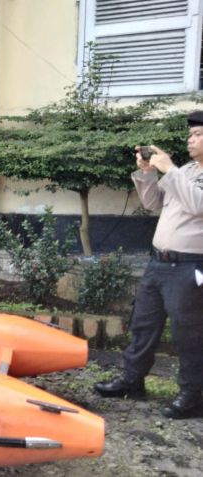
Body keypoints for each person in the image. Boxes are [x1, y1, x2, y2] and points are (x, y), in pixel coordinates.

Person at [94, 111, 203, 419]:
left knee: (189, 333)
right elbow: (152, 203)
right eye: (190, 135)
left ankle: (193, 395)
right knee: (143, 325)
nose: (190, 139)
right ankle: (132, 380)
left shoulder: (180, 172)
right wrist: (147, 173)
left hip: (190, 266)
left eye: (197, 134)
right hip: (159, 264)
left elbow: (198, 205)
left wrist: (169, 169)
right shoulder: (186, 170)